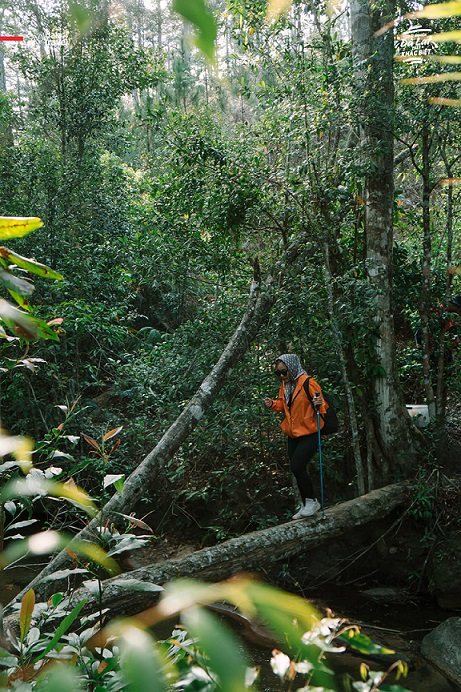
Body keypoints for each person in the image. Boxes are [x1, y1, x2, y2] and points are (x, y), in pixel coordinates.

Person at [263, 354, 328, 519]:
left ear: (292, 368)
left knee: (298, 465)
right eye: (278, 373)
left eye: (284, 372)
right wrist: (273, 405)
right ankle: (306, 504)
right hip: (293, 432)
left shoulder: (308, 382)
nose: (282, 376)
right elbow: (284, 405)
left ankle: (312, 501)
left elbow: (322, 405)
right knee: (295, 468)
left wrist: (318, 404)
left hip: (310, 431)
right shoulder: (286, 385)